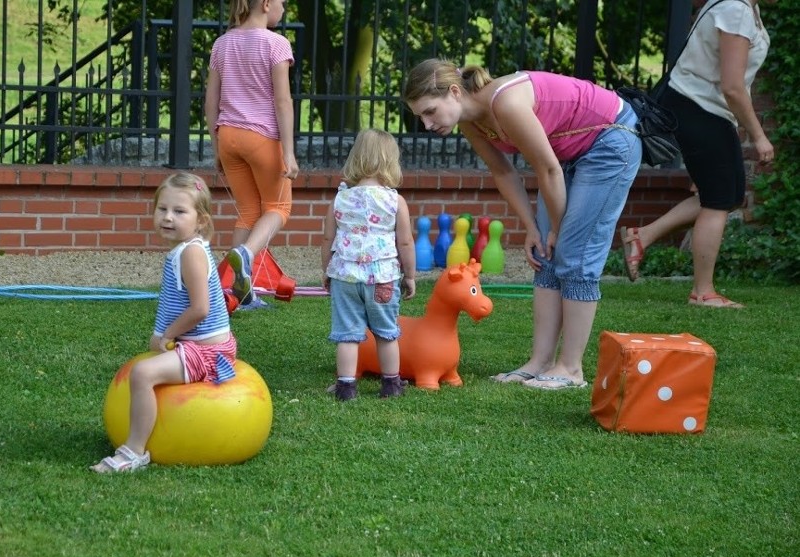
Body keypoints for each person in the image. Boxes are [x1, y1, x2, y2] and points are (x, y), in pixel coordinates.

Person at [403, 59, 641, 390]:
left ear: (454, 92)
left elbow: (548, 170)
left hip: (610, 141)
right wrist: (533, 227)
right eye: (421, 117)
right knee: (544, 250)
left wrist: (558, 228)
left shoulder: (507, 103)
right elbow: (504, 172)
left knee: (574, 254)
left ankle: (570, 368)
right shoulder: (471, 120)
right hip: (566, 155)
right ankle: (540, 361)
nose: (427, 124)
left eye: (430, 111)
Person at [620, 0, 772, 308]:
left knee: (724, 194)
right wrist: (759, 136)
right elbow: (732, 86)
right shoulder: (736, 11)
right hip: (702, 108)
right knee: (719, 199)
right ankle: (703, 292)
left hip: (700, 109)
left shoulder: (740, 8)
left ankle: (641, 236)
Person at [91, 173, 237, 473]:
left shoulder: (192, 254)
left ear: (200, 221)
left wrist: (167, 335)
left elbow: (200, 309)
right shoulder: (187, 249)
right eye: (162, 209)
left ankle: (133, 452)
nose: (168, 217)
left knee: (143, 373)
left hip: (208, 353)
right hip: (193, 346)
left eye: (179, 211)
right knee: (147, 366)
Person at [204, 0, 298, 306]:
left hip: (229, 136)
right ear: (266, 3)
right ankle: (245, 254)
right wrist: (289, 151)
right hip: (262, 138)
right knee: (279, 208)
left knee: (247, 212)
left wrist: (216, 144)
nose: (284, 8)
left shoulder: (222, 44)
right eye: (283, 2)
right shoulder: (277, 44)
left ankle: (238, 293)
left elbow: (211, 101)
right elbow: (283, 102)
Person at [321, 129, 417, 401]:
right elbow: (406, 243)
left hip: (345, 276)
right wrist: (409, 275)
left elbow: (328, 238)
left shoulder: (340, 198)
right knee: (386, 332)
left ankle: (346, 387)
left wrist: (327, 270)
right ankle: (390, 385)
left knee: (347, 334)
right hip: (383, 276)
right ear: (390, 162)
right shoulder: (395, 201)